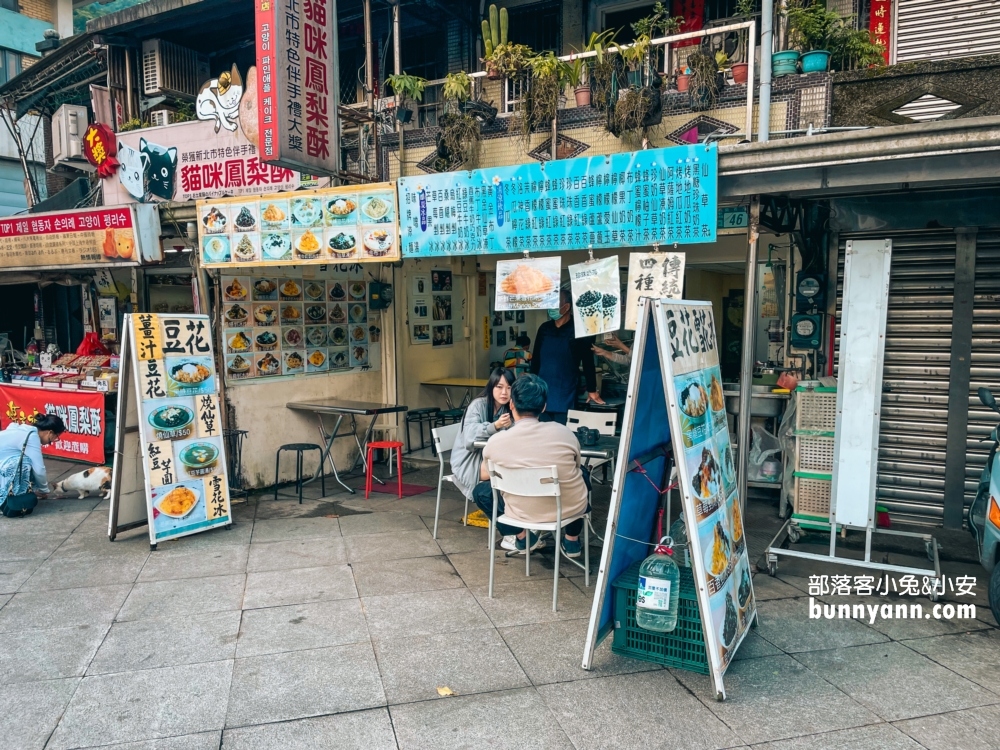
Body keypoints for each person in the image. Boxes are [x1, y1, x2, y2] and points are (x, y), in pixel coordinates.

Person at [475, 374, 590, 558]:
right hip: (568, 510)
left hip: (521, 513)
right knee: (582, 473)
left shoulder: (496, 441)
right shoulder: (564, 433)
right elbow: (576, 466)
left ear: (511, 404)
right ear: (544, 406)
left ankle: (523, 537)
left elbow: (483, 475)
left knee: (481, 492)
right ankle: (572, 540)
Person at [530, 288, 604, 424]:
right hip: (542, 392)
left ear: (567, 307)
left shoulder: (580, 330)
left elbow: (588, 362)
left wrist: (592, 389)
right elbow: (536, 361)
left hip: (566, 392)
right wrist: (531, 384)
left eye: (554, 304)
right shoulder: (544, 329)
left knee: (562, 433)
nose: (550, 308)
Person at [450, 367, 515, 519]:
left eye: (509, 387)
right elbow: (469, 438)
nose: (504, 392)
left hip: (491, 456)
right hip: (470, 461)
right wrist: (495, 426)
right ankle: (510, 523)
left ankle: (515, 519)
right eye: (499, 387)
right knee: (508, 470)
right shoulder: (477, 405)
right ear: (491, 387)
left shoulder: (509, 407)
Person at [0, 414, 66, 501]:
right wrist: (44, 490)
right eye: (56, 436)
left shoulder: (23, 429)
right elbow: (39, 469)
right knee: (26, 463)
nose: (54, 440)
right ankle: (8, 498)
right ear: (50, 432)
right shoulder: (32, 437)